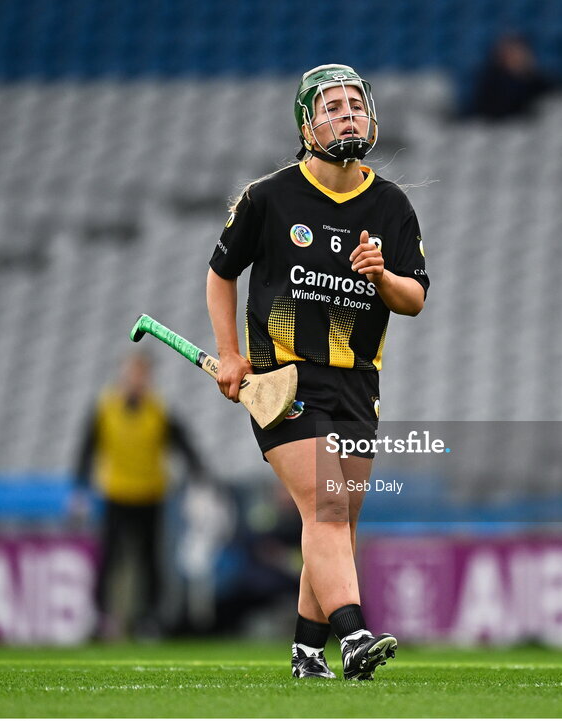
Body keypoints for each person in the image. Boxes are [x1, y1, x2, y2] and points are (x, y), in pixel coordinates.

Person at [206, 64, 429, 680]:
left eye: (355, 104)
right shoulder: (269, 197)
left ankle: (307, 652)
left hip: (358, 383)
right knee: (328, 511)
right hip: (286, 383)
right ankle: (353, 636)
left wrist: (382, 277)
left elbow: (414, 299)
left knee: (337, 523)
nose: (347, 114)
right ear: (307, 125)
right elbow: (220, 275)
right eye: (331, 106)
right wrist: (230, 354)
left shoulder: (390, 205)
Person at [73, 351, 206, 639]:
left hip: (150, 493)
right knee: (110, 559)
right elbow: (87, 449)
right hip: (116, 493)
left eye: (141, 373)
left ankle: (148, 619)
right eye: (132, 372)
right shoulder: (105, 407)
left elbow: (183, 444)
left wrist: (199, 475)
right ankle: (101, 618)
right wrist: (79, 489)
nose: (136, 379)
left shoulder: (159, 408)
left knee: (150, 561)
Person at [468, 33, 559, 120]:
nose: (518, 57)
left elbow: (553, 93)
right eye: (512, 53)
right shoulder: (491, 82)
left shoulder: (537, 81)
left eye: (521, 52)